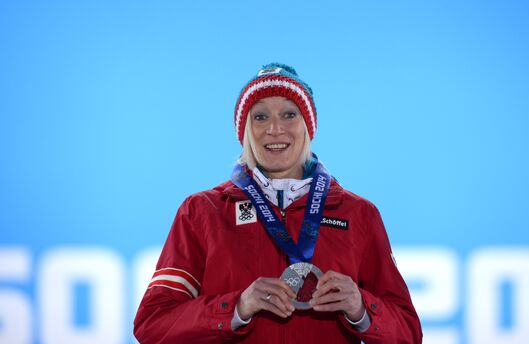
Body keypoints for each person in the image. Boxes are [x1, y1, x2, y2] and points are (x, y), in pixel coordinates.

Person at [134, 63, 422, 343]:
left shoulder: (358, 215)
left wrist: (361, 308)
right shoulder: (203, 212)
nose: (274, 128)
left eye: (289, 114)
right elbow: (153, 325)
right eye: (260, 117)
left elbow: (409, 333)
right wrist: (238, 307)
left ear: (308, 126)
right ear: (244, 130)